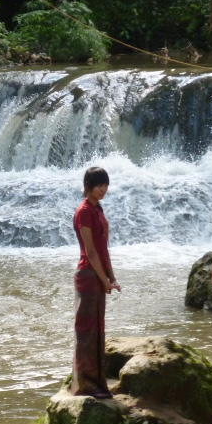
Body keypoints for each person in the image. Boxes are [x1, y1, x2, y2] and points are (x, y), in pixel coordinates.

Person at [70, 166, 121, 400]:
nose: (103, 190)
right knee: (86, 331)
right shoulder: (84, 211)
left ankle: (98, 383)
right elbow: (90, 252)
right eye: (99, 185)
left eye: (105, 185)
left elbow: (103, 249)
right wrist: (103, 279)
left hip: (97, 276)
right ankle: (84, 385)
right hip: (88, 276)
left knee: (97, 330)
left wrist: (112, 277)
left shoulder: (97, 209)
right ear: (88, 185)